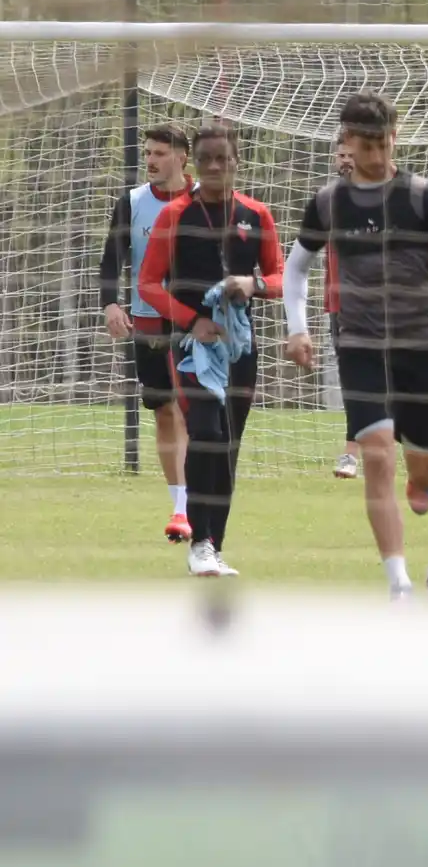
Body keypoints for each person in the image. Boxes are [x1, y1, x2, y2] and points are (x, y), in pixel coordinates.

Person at [282, 90, 428, 599]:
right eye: (365, 145)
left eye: (384, 144)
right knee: (376, 455)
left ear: (395, 138)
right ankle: (398, 582)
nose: (377, 156)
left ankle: (423, 478)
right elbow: (296, 267)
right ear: (347, 143)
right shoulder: (329, 202)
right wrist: (297, 327)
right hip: (360, 345)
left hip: (420, 347)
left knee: (422, 471)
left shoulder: (422, 196)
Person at [138, 123, 284, 577]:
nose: (217, 167)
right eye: (208, 160)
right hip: (190, 350)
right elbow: (147, 282)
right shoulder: (176, 215)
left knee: (229, 446)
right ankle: (199, 542)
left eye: (225, 158)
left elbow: (281, 280)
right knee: (208, 434)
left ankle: (214, 545)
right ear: (195, 164)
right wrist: (192, 320)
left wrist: (252, 284)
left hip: (239, 350)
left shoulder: (256, 214)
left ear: (237, 161)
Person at [99, 123, 195, 543]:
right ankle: (180, 503)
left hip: (197, 321)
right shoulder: (132, 202)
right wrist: (112, 304)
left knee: (193, 409)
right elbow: (111, 260)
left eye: (159, 153)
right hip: (150, 320)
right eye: (149, 152)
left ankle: (187, 506)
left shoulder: (205, 200)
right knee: (164, 411)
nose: (151, 161)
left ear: (181, 158)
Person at [327, 132, 361, 480]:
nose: (345, 161)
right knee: (355, 381)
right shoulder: (328, 200)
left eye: (352, 155)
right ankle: (351, 454)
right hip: (341, 305)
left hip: (390, 306)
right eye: (341, 156)